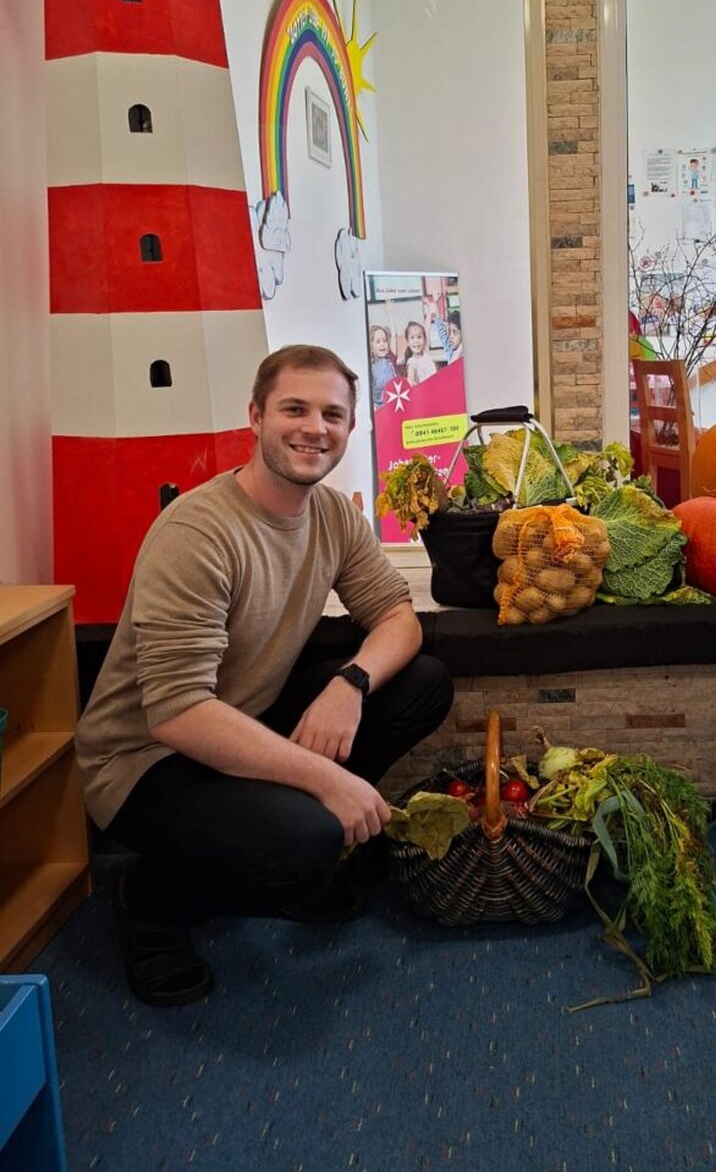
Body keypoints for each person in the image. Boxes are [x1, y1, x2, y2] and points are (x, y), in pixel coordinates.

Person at [76, 344, 453, 1007]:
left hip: (238, 726)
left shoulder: (333, 514)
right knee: (307, 845)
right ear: (255, 416)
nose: (315, 428)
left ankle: (274, 846)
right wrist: (327, 780)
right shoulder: (198, 533)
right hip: (143, 761)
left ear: (350, 428)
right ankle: (152, 897)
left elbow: (398, 615)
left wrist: (350, 685)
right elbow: (176, 713)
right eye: (295, 409)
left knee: (422, 681)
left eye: (332, 414)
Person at [368, 323, 398, 405]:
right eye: (378, 342)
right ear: (371, 347)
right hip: (379, 408)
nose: (382, 344)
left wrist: (390, 313)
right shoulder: (370, 367)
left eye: (384, 341)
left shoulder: (390, 361)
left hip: (393, 405)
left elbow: (394, 336)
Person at [402, 320, 437, 385]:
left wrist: (429, 311)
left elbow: (427, 328)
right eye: (412, 337)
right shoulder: (412, 362)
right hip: (424, 392)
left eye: (419, 337)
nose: (416, 341)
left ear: (424, 340)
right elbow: (410, 382)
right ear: (408, 342)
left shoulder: (426, 353)